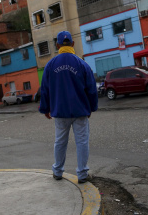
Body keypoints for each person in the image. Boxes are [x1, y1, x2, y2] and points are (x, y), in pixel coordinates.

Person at [39, 31, 98, 184]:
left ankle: (57, 171)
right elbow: (91, 88)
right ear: (72, 44)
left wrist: (46, 108)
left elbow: (45, 89)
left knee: (60, 141)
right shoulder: (82, 64)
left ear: (57, 45)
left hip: (59, 111)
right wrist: (91, 107)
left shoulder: (50, 65)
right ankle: (83, 174)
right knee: (82, 142)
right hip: (80, 110)